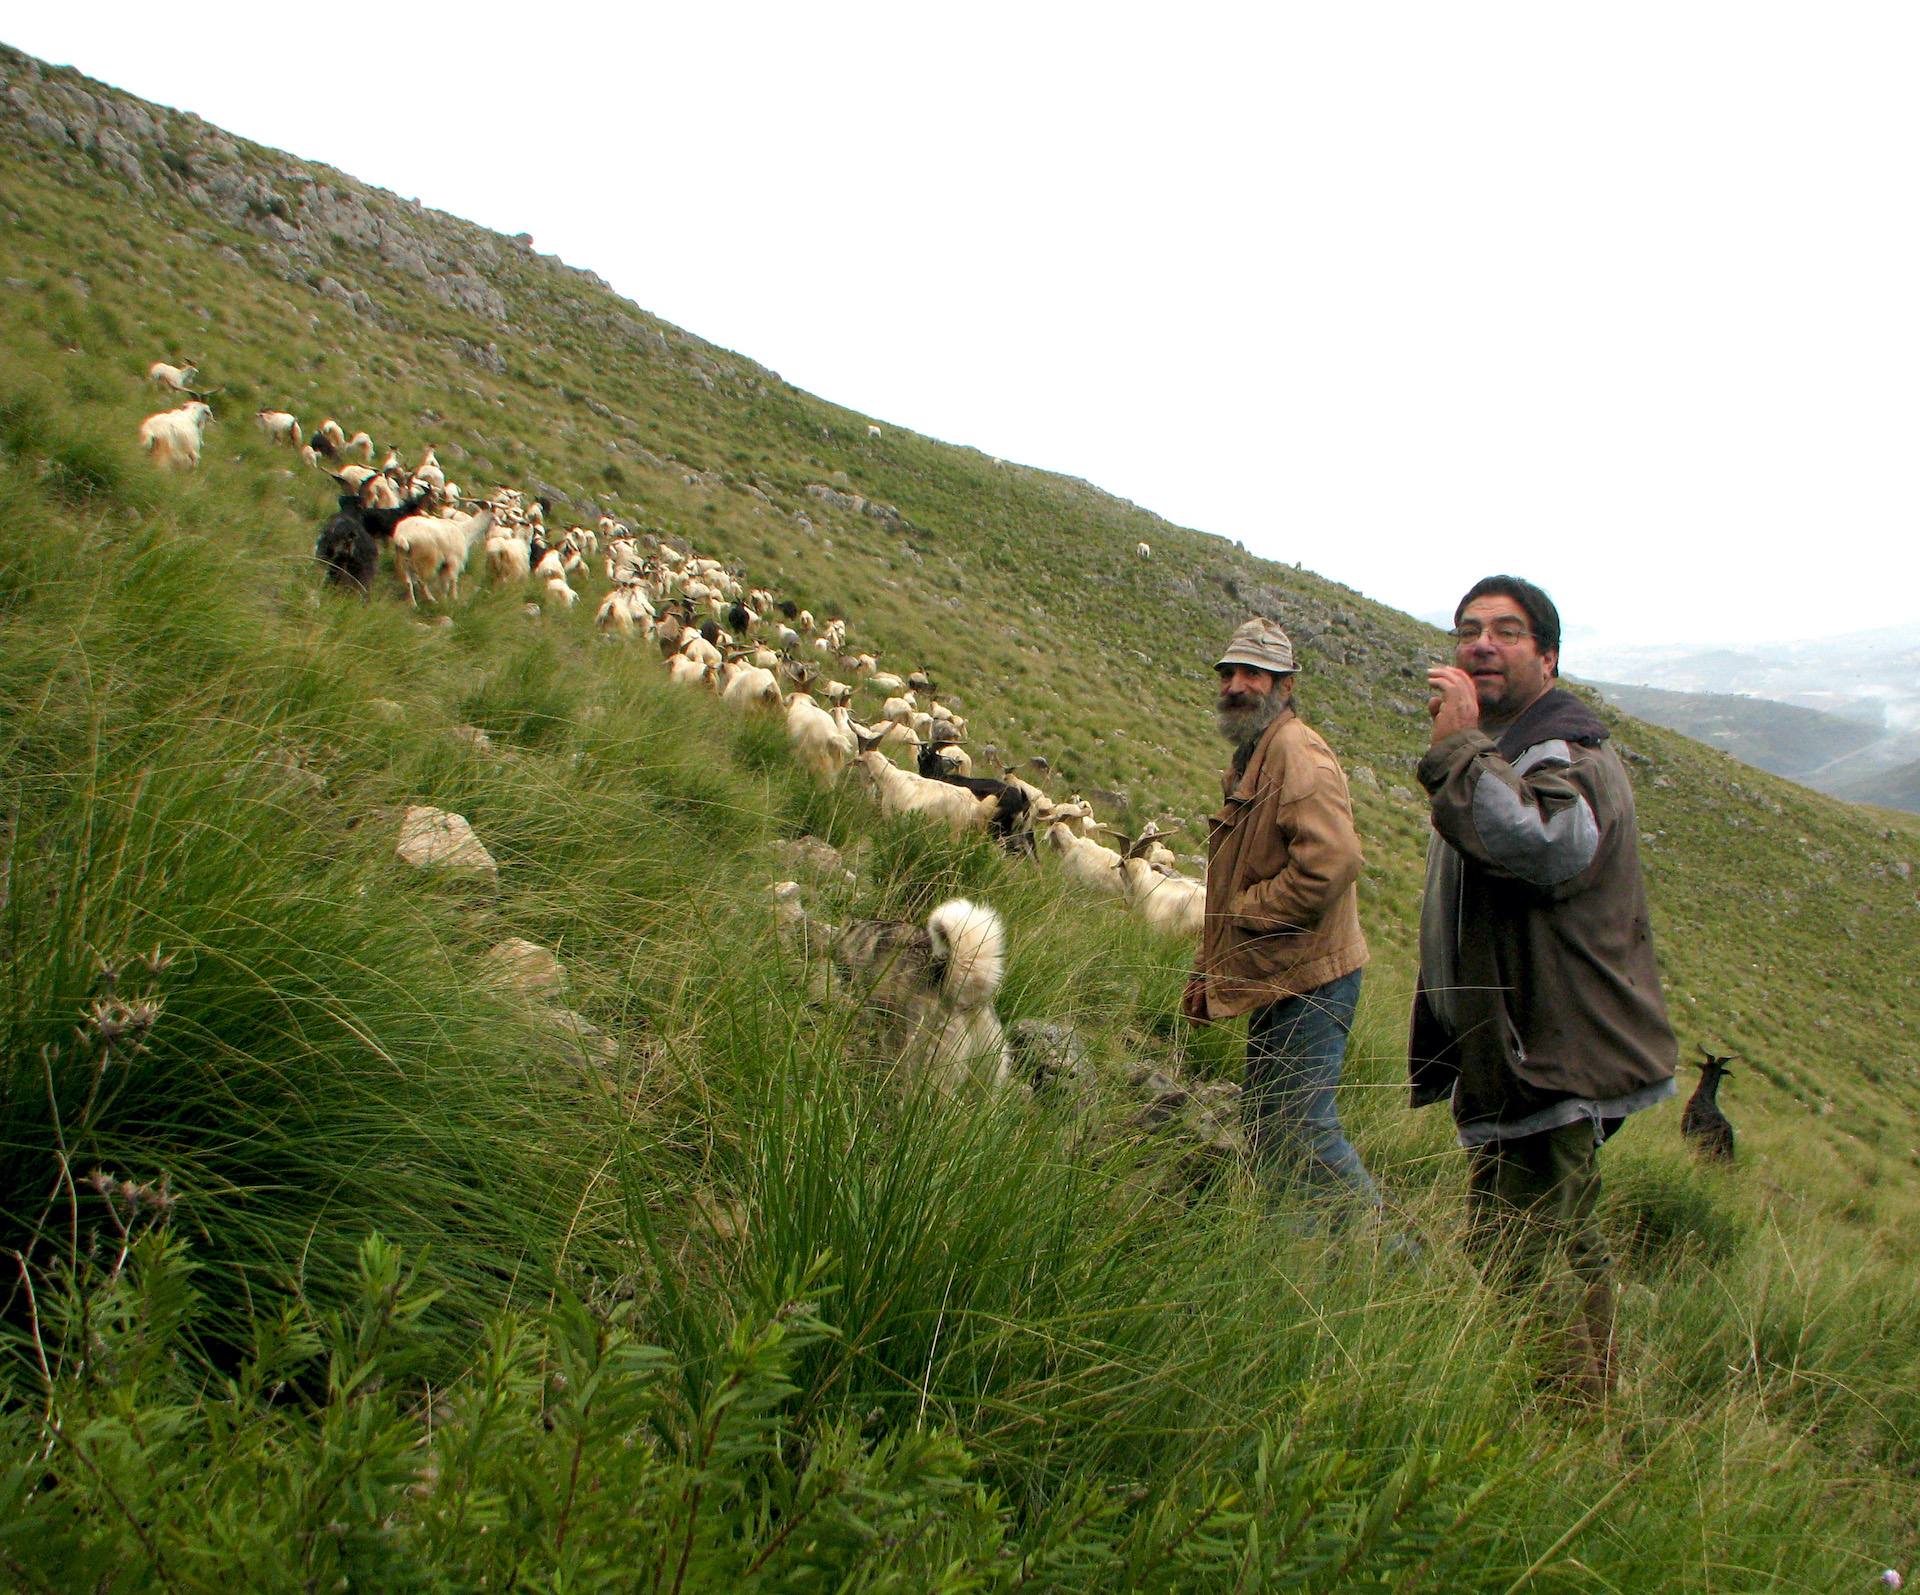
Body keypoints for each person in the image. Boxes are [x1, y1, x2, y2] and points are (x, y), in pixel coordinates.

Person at [1412, 575, 1677, 1400]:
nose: (1480, 644)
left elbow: (1549, 848)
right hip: (1524, 1056)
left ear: (1549, 657)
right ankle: (1560, 1402)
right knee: (1539, 1244)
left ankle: (1564, 1422)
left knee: (1532, 1254)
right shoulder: (1513, 752)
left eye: (1506, 631)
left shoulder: (1570, 755)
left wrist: (1458, 750)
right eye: (1467, 630)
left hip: (1552, 1058)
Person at [1183, 616, 1379, 1209]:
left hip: (1313, 977)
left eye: (1255, 675)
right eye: (1229, 673)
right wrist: (1209, 962)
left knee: (1304, 1131)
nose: (1237, 685)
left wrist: (1246, 913)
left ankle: (1394, 1256)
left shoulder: (1297, 752)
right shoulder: (1254, 755)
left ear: (1285, 686)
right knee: (1271, 1130)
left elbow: (1333, 861)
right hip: (1279, 970)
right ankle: (1287, 1262)